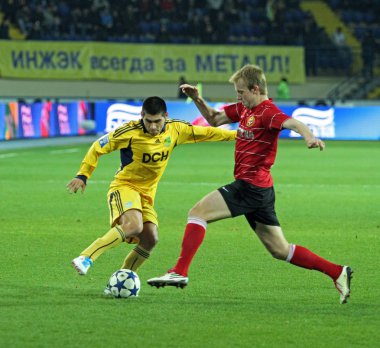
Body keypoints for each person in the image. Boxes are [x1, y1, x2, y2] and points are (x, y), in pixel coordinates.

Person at [147, 65, 353, 304]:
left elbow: (294, 123)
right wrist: (197, 99)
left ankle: (179, 271)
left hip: (250, 186)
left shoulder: (268, 112)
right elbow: (214, 119)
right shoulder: (245, 108)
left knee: (197, 213)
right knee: (280, 250)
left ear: (256, 89)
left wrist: (309, 137)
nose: (238, 96)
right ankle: (338, 272)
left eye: (241, 91)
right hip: (261, 191)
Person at [67, 96, 236, 293]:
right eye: (149, 121)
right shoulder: (129, 132)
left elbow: (208, 132)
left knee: (150, 239)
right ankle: (86, 257)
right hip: (125, 186)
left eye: (157, 121)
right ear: (142, 116)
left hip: (146, 194)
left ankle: (121, 279)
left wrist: (239, 135)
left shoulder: (176, 129)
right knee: (134, 225)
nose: (153, 126)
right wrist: (83, 175)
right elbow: (98, 147)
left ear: (166, 116)